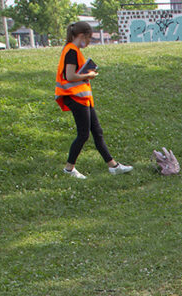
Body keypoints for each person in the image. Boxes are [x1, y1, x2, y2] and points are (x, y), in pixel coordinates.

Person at [55, 21, 132, 179]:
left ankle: (113, 166)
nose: (89, 42)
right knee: (83, 134)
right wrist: (88, 75)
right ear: (82, 36)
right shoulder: (71, 51)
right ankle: (69, 169)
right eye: (89, 38)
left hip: (82, 99)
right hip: (75, 97)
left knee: (97, 132)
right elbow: (70, 76)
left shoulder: (73, 50)